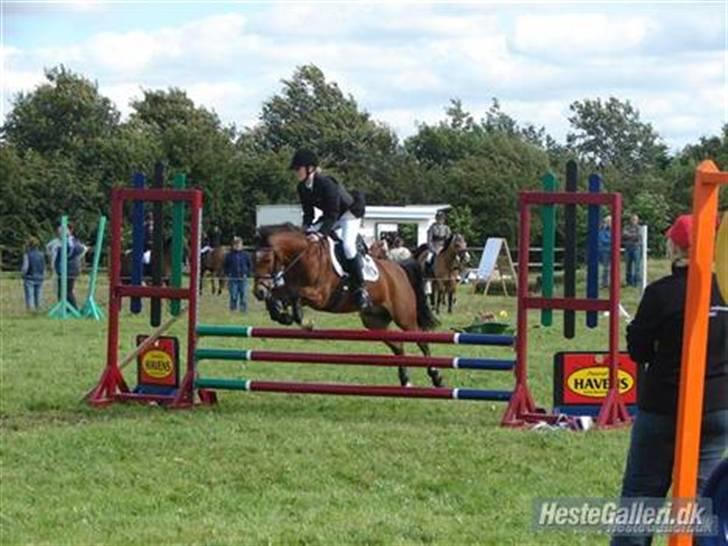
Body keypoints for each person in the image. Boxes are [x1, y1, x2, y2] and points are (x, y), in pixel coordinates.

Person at [611, 214, 728, 546]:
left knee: (641, 495)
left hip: (664, 404)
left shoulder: (661, 293)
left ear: (674, 247)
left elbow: (638, 349)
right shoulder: (725, 293)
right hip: (717, 407)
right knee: (702, 498)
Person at [290, 148, 371, 309]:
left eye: (298, 168)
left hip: (349, 213)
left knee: (347, 246)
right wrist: (305, 229)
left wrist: (320, 234)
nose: (295, 172)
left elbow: (333, 214)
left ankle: (361, 288)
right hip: (331, 216)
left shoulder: (326, 183)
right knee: (307, 239)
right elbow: (308, 213)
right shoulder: (302, 187)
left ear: (310, 168)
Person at [53, 222, 87, 310]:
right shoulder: (62, 241)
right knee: (62, 292)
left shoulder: (71, 241)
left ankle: (73, 309)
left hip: (69, 270)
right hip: (64, 270)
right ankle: (66, 309)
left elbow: (78, 249)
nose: (58, 233)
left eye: (60, 231)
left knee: (67, 292)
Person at [223, 236, 252, 313]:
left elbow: (250, 265)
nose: (237, 246)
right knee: (233, 295)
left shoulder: (246, 255)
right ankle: (233, 309)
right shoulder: (229, 255)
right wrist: (227, 274)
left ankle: (243, 310)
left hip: (243, 278)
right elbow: (225, 266)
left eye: (239, 244)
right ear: (233, 245)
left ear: (242, 245)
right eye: (235, 244)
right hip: (233, 278)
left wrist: (248, 273)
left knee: (244, 295)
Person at [21, 236, 45, 311]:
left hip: (29, 277)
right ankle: (39, 310)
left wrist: (23, 274)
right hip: (40, 277)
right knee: (39, 296)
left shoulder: (27, 255)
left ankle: (31, 311)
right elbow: (43, 267)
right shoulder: (41, 254)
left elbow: (25, 267)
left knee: (30, 296)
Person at [623, 214, 642, 287]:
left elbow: (639, 236)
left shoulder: (639, 228)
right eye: (633, 219)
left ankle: (636, 282)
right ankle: (629, 282)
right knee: (628, 266)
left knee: (637, 266)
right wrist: (633, 236)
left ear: (637, 220)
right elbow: (624, 235)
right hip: (628, 248)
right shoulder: (626, 227)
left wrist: (630, 236)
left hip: (636, 248)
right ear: (630, 220)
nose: (634, 221)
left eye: (635, 219)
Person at [598, 214, 612, 288]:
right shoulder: (602, 230)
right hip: (605, 251)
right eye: (608, 221)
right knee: (605, 268)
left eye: (610, 221)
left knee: (612, 267)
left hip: (612, 251)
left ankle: (611, 283)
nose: (610, 223)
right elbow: (602, 240)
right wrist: (612, 240)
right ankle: (604, 283)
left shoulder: (614, 229)